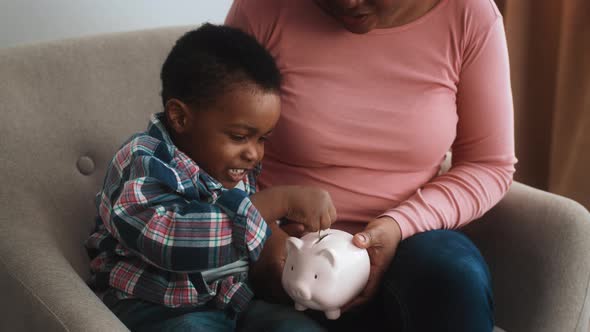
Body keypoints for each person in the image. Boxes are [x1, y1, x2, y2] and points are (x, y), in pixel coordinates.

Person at [226, 0, 517, 331]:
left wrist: (398, 225)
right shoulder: (263, 9)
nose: (348, 2)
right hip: (283, 251)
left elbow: (488, 164)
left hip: (409, 243)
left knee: (456, 276)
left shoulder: (469, 14)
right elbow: (202, 142)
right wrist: (262, 231)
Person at [85, 23, 336, 332]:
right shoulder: (141, 161)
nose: (254, 154)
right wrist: (277, 202)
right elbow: (171, 243)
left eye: (262, 139)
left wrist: (284, 248)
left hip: (232, 301)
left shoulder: (233, 167)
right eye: (240, 136)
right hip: (153, 306)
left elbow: (248, 239)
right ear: (180, 117)